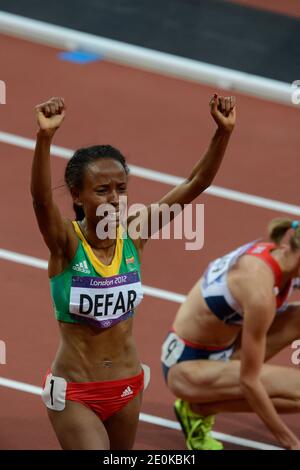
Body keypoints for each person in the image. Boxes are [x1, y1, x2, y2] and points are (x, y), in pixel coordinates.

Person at [31, 94, 236, 450]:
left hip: (127, 386)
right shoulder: (65, 243)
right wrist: (45, 138)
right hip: (76, 390)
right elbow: (41, 200)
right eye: (101, 190)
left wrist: (223, 131)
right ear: (77, 196)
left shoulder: (135, 234)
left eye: (121, 189)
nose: (114, 198)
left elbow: (195, 183)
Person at [161, 219, 300, 450]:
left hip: (222, 348)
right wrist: (291, 442)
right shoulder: (258, 291)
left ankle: (204, 400)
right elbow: (249, 382)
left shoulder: (280, 256)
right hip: (187, 367)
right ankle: (196, 409)